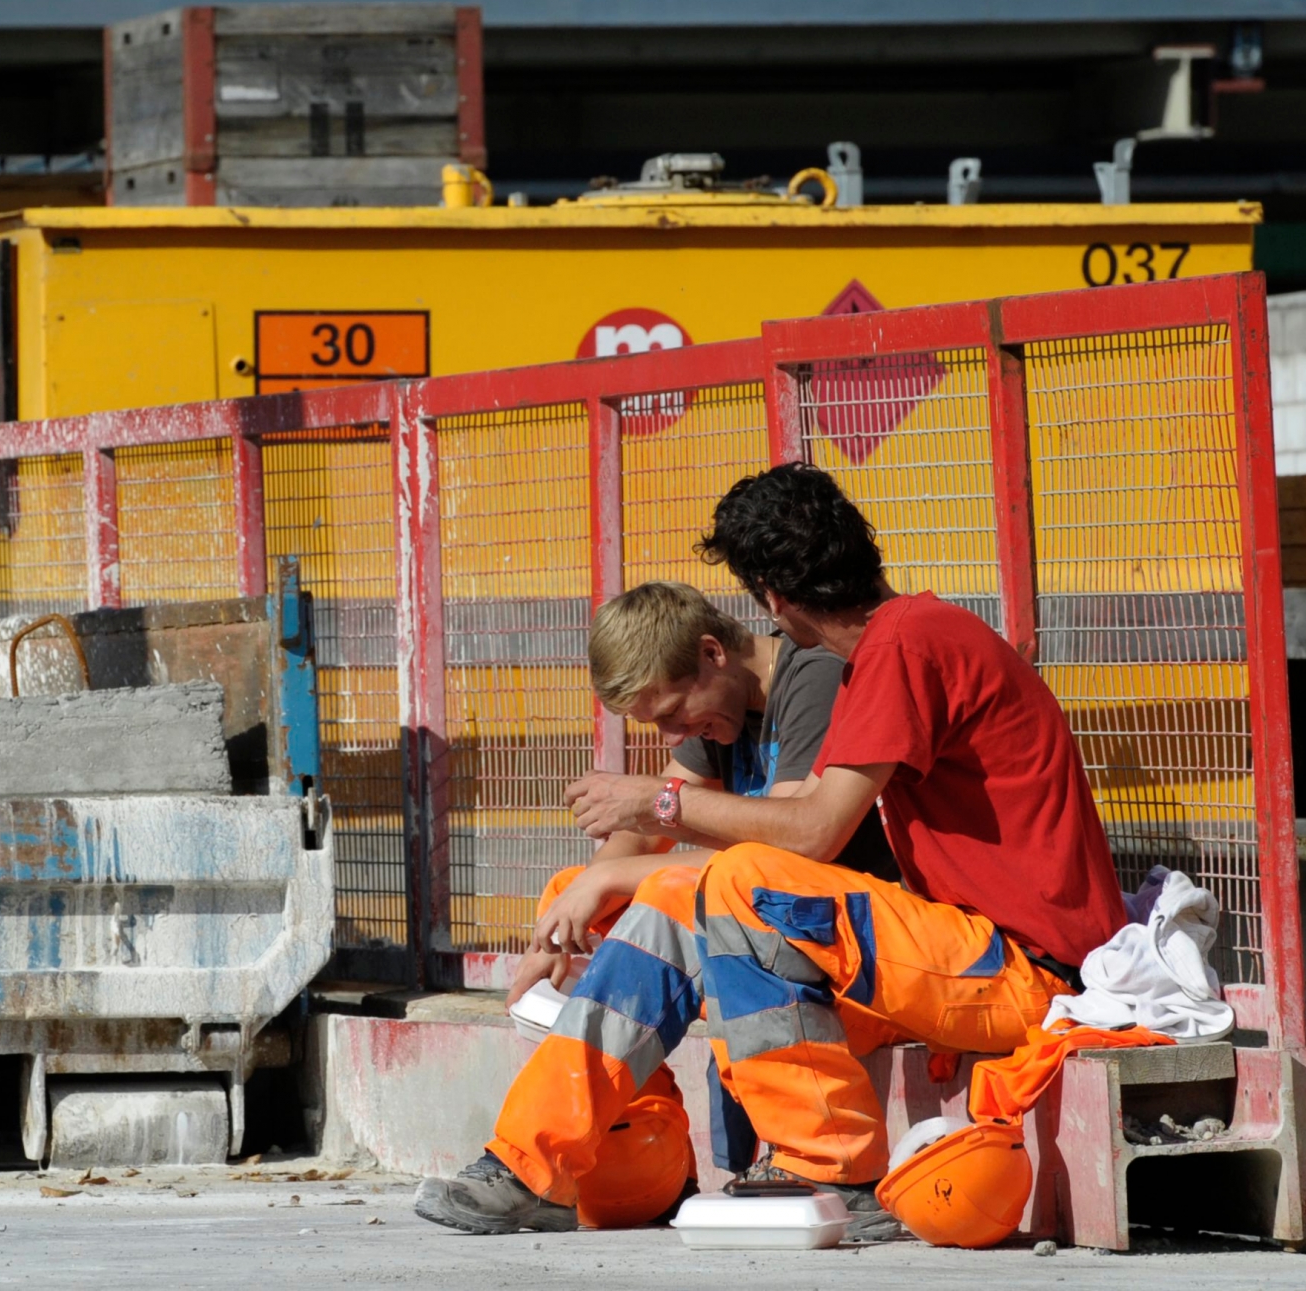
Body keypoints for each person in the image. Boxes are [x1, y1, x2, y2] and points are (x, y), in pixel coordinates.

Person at [415, 463, 1125, 1239]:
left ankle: (835, 1170)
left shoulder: (896, 648)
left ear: (773, 597)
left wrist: (655, 807)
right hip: (945, 958)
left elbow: (812, 833)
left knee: (735, 880)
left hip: (1028, 974)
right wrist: (593, 889)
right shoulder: (897, 643)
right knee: (670, 901)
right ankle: (532, 1163)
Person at [418, 576, 894, 1236]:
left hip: (849, 949)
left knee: (664, 892)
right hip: (766, 931)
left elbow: (785, 854)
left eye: (673, 713)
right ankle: (645, 1154)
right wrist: (567, 919)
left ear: (711, 652)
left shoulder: (809, 676)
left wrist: (618, 868)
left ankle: (534, 1159)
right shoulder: (721, 708)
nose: (675, 733)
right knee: (576, 895)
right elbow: (646, 831)